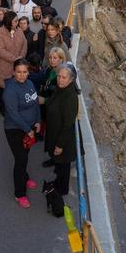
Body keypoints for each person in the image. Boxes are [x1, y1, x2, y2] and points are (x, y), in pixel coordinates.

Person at [3, 58, 41, 208]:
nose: (22, 75)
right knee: (20, 160)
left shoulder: (30, 84)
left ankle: (25, 178)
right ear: (13, 72)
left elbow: (35, 103)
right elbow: (13, 114)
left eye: (25, 72)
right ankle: (20, 193)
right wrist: (28, 130)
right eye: (19, 72)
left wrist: (38, 120)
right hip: (15, 130)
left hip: (30, 127)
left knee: (24, 155)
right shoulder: (10, 90)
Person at [43, 63, 80, 196]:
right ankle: (58, 182)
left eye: (64, 77)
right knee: (59, 165)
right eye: (59, 76)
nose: (60, 79)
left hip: (62, 140)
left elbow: (68, 125)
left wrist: (59, 145)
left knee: (63, 166)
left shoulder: (70, 98)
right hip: (55, 133)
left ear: (71, 79)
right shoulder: (61, 89)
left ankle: (61, 189)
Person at [0, 10, 27, 115]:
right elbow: (0, 50)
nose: (17, 23)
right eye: (15, 21)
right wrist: (15, 59)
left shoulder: (19, 31)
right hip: (4, 67)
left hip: (16, 66)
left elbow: (24, 44)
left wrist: (21, 57)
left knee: (14, 89)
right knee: (2, 89)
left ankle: (13, 107)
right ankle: (2, 108)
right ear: (9, 22)